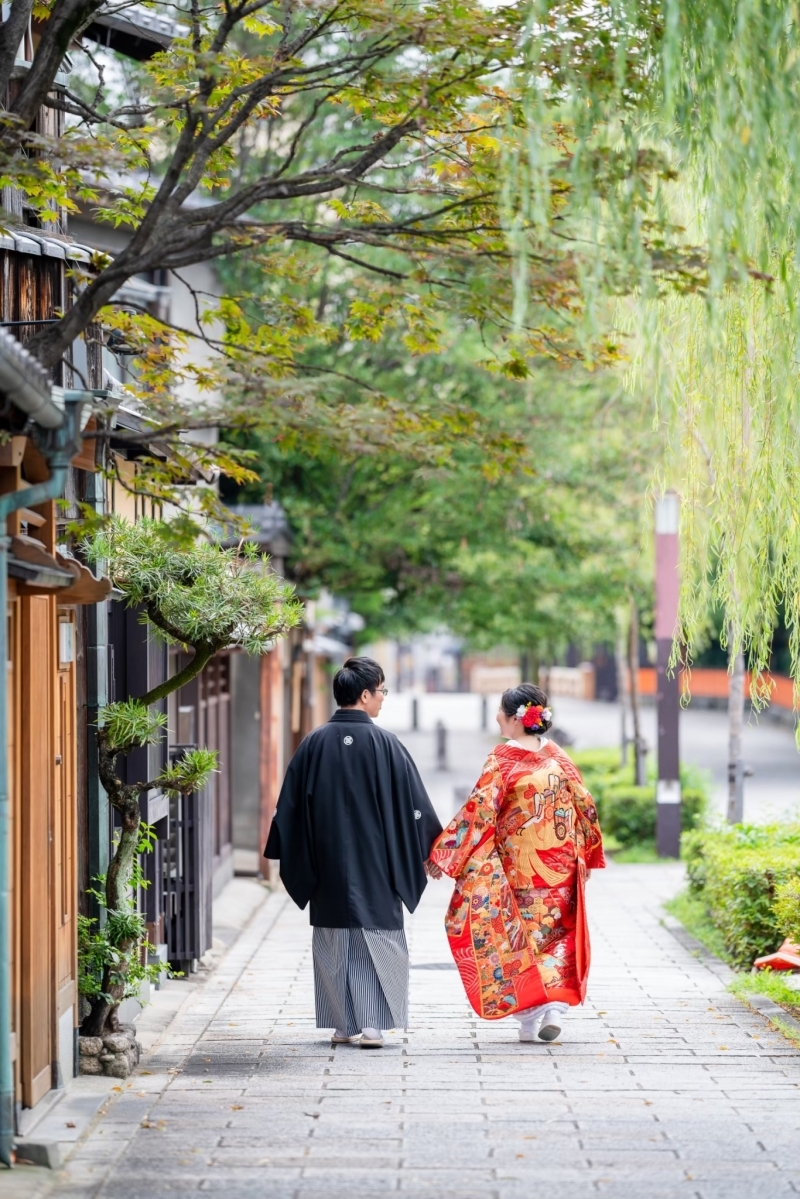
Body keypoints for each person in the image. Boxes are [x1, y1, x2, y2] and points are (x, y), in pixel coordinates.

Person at [264, 656, 442, 1049]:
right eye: (382, 691)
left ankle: (343, 1024)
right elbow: (416, 806)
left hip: (325, 862)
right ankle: (373, 1025)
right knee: (378, 936)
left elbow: (289, 808)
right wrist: (431, 849)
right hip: (378, 862)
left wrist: (291, 852)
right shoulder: (386, 744)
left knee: (333, 938)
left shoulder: (313, 743)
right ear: (365, 695)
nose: (383, 699)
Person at [428, 683, 605, 1043]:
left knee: (517, 942)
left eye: (501, 712)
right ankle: (548, 1011)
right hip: (562, 867)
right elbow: (585, 806)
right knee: (556, 937)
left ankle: (533, 1014)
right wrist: (585, 853)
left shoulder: (503, 760)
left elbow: (479, 811)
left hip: (519, 869)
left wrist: (446, 854)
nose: (497, 717)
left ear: (514, 719)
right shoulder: (559, 757)